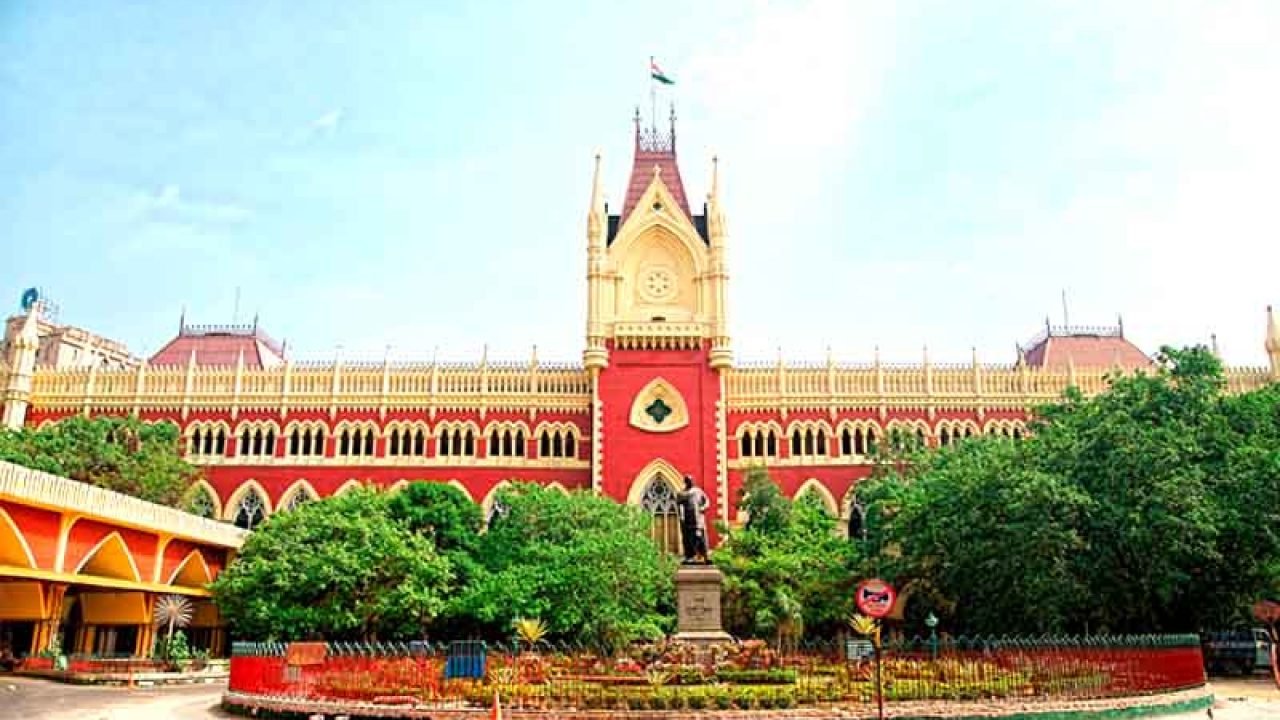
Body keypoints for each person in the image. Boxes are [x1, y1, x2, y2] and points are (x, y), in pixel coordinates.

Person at [677, 474, 710, 563]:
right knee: (689, 538)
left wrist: (703, 508)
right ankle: (690, 556)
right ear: (686, 482)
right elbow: (679, 506)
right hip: (688, 520)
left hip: (699, 519)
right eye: (688, 480)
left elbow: (707, 501)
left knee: (701, 537)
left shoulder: (698, 491)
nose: (691, 482)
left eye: (692, 480)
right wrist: (682, 517)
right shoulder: (682, 494)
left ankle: (705, 555)